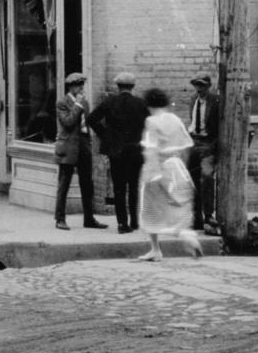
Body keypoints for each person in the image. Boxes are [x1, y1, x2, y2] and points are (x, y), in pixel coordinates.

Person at [136, 87, 200, 261]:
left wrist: (150, 173)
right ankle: (184, 234)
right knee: (177, 204)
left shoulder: (152, 121)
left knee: (150, 209)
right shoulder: (175, 119)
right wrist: (182, 168)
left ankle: (156, 249)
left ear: (149, 104)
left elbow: (151, 149)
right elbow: (187, 145)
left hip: (158, 167)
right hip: (177, 166)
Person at [88, 72, 149, 233]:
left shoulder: (109, 102)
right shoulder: (141, 104)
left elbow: (91, 119)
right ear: (132, 86)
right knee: (134, 186)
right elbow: (150, 126)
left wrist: (106, 136)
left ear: (118, 86)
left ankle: (122, 224)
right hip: (136, 151)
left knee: (119, 188)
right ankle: (135, 221)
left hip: (116, 152)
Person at [52, 73, 106, 231]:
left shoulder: (85, 103)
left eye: (82, 85)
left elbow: (86, 125)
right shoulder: (62, 102)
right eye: (78, 85)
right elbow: (68, 122)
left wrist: (90, 141)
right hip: (68, 146)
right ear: (71, 86)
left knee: (87, 183)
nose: (81, 88)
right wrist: (78, 105)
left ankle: (89, 218)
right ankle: (60, 219)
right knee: (64, 183)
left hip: (83, 145)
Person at [185, 74, 220, 232]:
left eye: (202, 85)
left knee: (206, 176)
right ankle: (196, 217)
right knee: (191, 179)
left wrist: (214, 145)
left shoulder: (216, 101)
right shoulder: (193, 99)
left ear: (208, 86)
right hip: (193, 142)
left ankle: (208, 215)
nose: (199, 89)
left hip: (208, 144)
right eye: (196, 85)